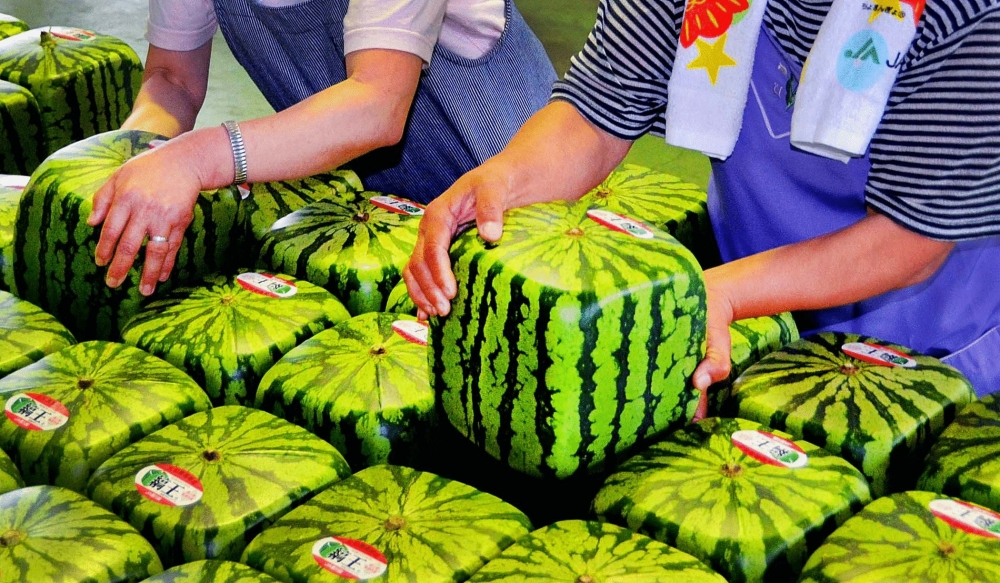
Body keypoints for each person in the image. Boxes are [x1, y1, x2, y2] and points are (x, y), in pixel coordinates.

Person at [404, 0, 1000, 411]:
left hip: (932, 349)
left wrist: (725, 293)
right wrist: (501, 180)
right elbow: (597, 109)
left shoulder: (970, 15)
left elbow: (910, 239)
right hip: (763, 310)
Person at [87, 0, 556, 297]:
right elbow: (173, 80)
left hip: (518, 212)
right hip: (374, 223)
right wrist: (134, 157)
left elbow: (377, 103)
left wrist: (195, 157)